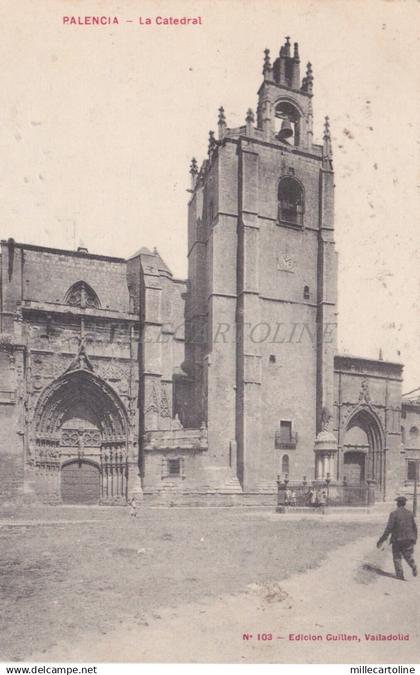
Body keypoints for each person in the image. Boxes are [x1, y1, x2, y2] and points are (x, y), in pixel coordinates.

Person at [377, 496, 417, 580]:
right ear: (405, 504)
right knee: (407, 555)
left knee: (397, 556)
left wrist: (381, 540)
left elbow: (388, 528)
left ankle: (400, 575)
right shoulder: (410, 513)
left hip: (397, 539)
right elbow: (414, 527)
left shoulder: (394, 514)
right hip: (409, 538)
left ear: (398, 504)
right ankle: (413, 565)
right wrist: (414, 539)